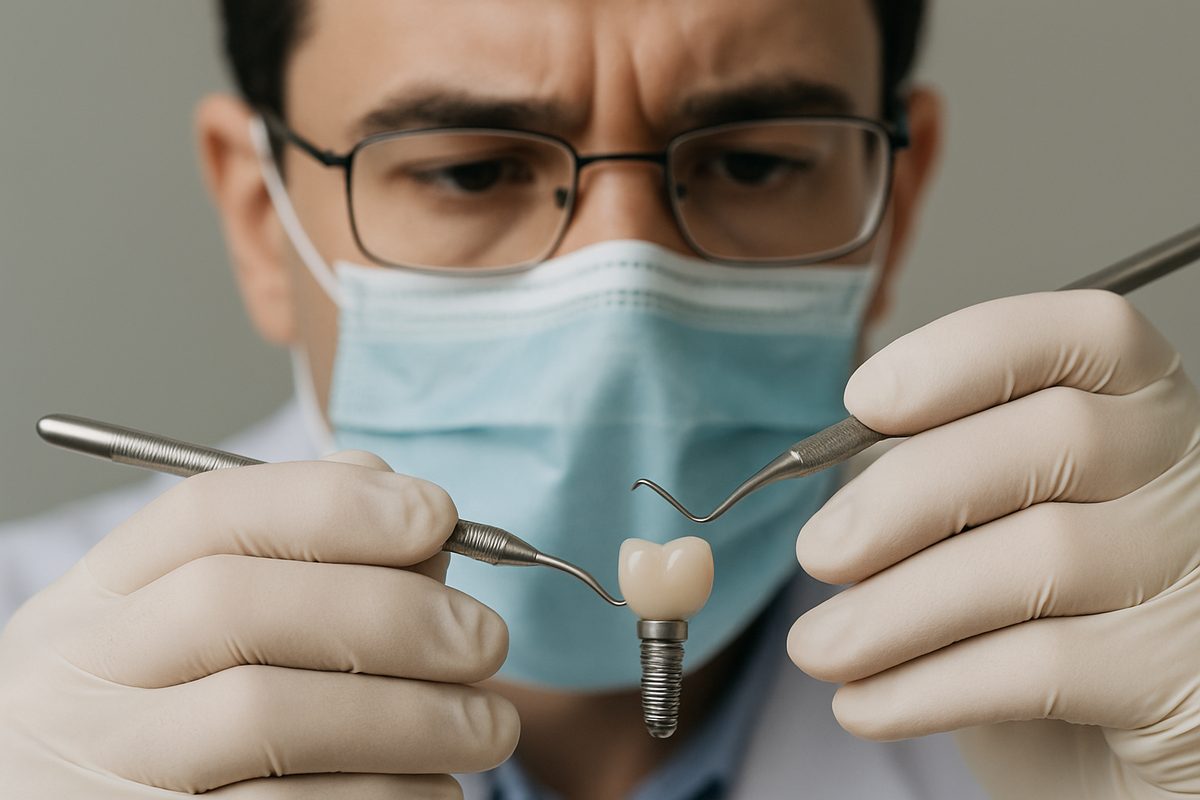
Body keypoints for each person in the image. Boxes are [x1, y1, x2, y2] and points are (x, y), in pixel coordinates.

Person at [2, 0, 1198, 797]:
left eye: (751, 162)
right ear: (263, 222)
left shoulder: (1130, 693)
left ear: (895, 192)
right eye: (472, 170)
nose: (621, 292)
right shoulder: (36, 714)